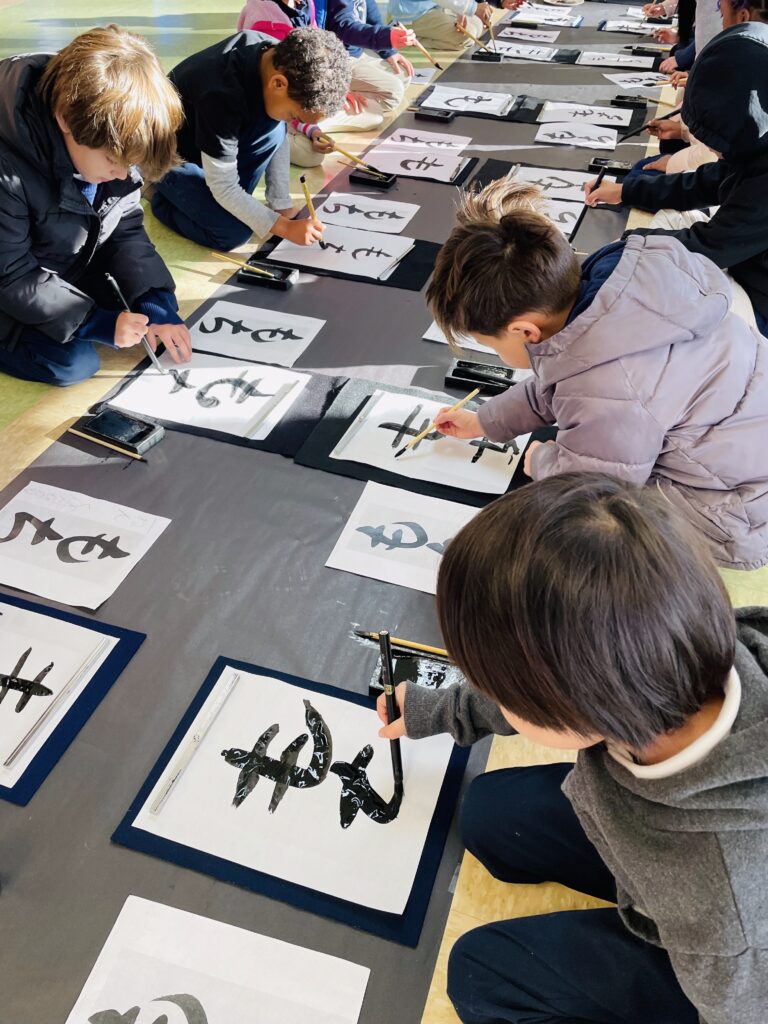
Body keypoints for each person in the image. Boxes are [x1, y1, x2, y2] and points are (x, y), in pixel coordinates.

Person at [377, 471, 768, 1024]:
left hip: (728, 974)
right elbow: (552, 683)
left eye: (500, 688)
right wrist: (440, 710)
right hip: (656, 838)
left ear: (579, 702)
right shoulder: (664, 641)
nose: (492, 694)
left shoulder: (729, 916)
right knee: (491, 814)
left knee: (479, 972)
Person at [425, 178, 768, 569]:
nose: (498, 354)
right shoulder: (615, 298)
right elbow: (560, 382)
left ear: (524, 330)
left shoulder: (612, 385)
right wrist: (484, 421)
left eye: (491, 344)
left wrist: (542, 460)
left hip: (738, 518)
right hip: (743, 450)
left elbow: (591, 485)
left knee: (610, 522)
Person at [0, 26, 192, 387]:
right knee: (73, 362)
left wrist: (154, 302)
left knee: (134, 311)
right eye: (113, 161)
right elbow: (10, 275)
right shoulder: (6, 168)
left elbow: (124, 226)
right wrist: (94, 322)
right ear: (65, 120)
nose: (122, 173)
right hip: (9, 273)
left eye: (131, 165)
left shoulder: (105, 143)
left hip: (50, 259)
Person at [585, 23, 768, 336]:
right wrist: (627, 190)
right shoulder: (757, 142)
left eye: (716, 141)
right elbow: (711, 181)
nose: (711, 150)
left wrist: (629, 244)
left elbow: (711, 245)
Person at [150, 28, 350, 251]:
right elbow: (224, 187)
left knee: (272, 128)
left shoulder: (279, 58)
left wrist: (281, 204)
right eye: (295, 116)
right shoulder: (221, 96)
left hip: (211, 149)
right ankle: (159, 196)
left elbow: (279, 131)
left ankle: (201, 200)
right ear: (278, 84)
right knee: (234, 233)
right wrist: (283, 227)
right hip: (171, 158)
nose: (293, 123)